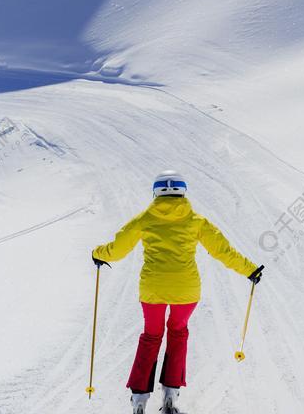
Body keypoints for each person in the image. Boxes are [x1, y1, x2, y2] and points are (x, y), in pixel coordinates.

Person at [92, 170, 263, 414]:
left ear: (155, 192)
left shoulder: (144, 219)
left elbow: (118, 249)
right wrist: (250, 270)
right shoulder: (196, 221)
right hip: (186, 290)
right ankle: (170, 397)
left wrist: (98, 253)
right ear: (183, 192)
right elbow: (223, 251)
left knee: (151, 335)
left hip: (153, 288)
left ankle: (139, 399)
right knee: (178, 333)